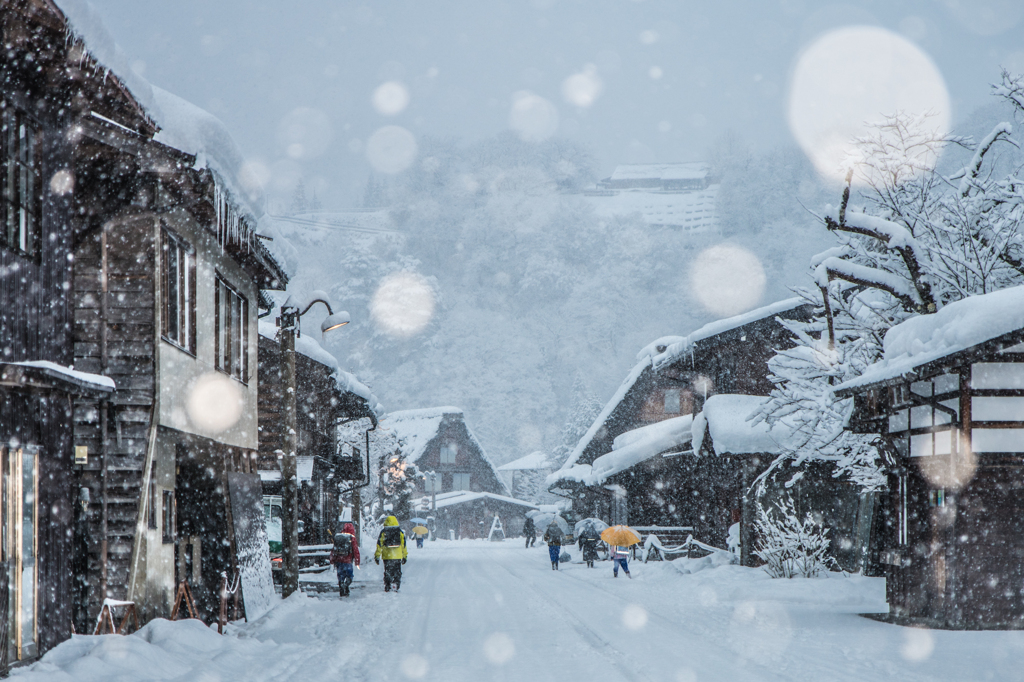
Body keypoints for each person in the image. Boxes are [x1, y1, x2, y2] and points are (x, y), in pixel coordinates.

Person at [374, 516, 408, 592]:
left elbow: (379, 544)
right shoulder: (399, 532)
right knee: (397, 571)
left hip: (387, 556)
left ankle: (388, 585)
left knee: (388, 571)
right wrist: (404, 556)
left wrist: (377, 555)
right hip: (397, 556)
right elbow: (403, 545)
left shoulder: (384, 532)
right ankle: (397, 584)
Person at [329, 522, 360, 597]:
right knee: (350, 576)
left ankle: (342, 588)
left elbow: (334, 549)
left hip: (339, 561)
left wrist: (332, 559)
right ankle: (346, 585)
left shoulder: (339, 537)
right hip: (347, 561)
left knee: (340, 576)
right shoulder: (351, 537)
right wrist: (357, 561)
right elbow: (355, 550)